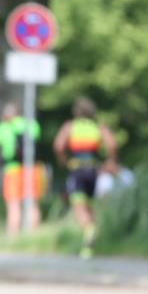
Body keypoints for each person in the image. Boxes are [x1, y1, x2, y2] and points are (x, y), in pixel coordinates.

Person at [52, 97, 118, 259]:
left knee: (79, 206)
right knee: (89, 206)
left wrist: (63, 160)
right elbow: (112, 145)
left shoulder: (70, 127)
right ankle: (89, 246)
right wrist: (110, 161)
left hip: (77, 171)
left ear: (76, 112)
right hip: (94, 171)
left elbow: (58, 145)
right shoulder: (98, 127)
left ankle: (89, 231)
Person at [0, 103, 46, 236]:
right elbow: (37, 137)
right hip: (32, 168)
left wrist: (3, 122)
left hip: (12, 169)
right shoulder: (31, 124)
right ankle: (35, 236)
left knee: (13, 205)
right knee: (32, 202)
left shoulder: (3, 127)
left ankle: (13, 237)